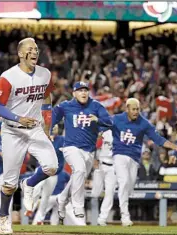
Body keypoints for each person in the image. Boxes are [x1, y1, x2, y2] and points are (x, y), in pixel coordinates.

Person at [0, 37, 58, 234]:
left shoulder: (45, 73)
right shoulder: (8, 76)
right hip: (13, 130)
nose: (35, 52)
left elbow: (47, 97)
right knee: (9, 184)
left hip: (36, 128)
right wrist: (18, 118)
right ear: (20, 53)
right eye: (30, 49)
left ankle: (29, 183)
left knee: (52, 166)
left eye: (36, 49)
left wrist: (47, 124)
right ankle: (4, 217)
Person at [110, 98, 177, 226]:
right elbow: (101, 124)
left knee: (130, 185)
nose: (136, 112)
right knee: (124, 182)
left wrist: (174, 146)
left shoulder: (144, 123)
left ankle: (123, 205)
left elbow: (158, 139)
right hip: (119, 155)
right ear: (127, 109)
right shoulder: (116, 118)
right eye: (133, 109)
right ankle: (125, 216)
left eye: (138, 109)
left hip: (133, 158)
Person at [51, 82, 114, 225]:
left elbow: (109, 122)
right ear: (74, 93)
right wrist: (49, 131)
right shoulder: (65, 106)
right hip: (71, 147)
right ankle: (77, 206)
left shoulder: (96, 106)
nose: (83, 93)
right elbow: (52, 117)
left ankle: (61, 198)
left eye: (85, 90)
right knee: (79, 170)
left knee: (77, 177)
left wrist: (98, 119)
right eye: (80, 90)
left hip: (89, 151)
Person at [32, 124, 65, 225]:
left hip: (53, 173)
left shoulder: (62, 140)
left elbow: (63, 157)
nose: (54, 129)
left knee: (46, 196)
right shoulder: (41, 138)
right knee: (36, 188)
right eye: (52, 127)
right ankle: (31, 207)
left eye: (55, 128)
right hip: (42, 169)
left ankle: (39, 219)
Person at [91, 128, 117, 226]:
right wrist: (95, 159)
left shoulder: (123, 134)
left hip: (113, 167)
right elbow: (96, 146)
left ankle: (102, 218)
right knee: (95, 193)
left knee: (110, 192)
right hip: (101, 164)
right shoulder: (105, 133)